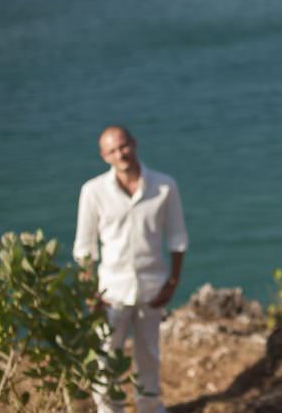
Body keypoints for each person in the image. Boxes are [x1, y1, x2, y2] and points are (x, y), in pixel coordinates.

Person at [73, 126, 188, 413]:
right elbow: (85, 248)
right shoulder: (93, 191)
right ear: (103, 156)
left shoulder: (164, 186)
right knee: (106, 357)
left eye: (123, 146)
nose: (120, 154)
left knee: (149, 354)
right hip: (110, 291)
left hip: (153, 287)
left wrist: (173, 282)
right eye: (112, 150)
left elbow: (177, 238)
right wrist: (90, 292)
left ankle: (150, 408)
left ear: (134, 144)